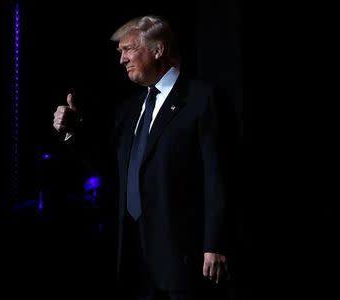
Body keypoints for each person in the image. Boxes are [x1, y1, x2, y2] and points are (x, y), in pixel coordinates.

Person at [53, 15, 235, 300]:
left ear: (158, 50)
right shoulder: (130, 108)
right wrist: (72, 132)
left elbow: (218, 176)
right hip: (134, 258)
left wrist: (215, 243)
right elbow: (110, 167)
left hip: (184, 258)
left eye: (129, 49)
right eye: (120, 52)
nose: (122, 60)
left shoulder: (202, 98)